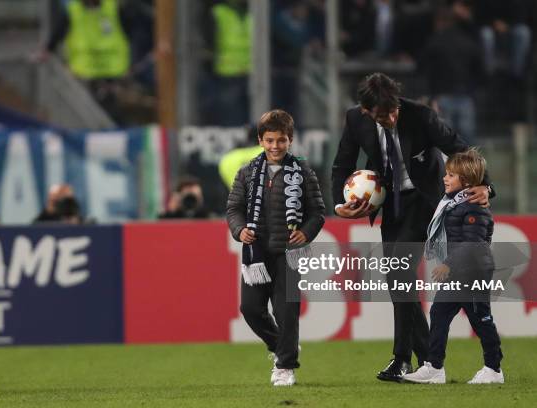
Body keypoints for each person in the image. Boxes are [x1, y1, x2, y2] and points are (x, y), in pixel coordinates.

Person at [331, 73, 494, 382]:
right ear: (366, 111)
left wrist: (486, 185)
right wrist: (339, 205)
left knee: (398, 273)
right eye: (382, 115)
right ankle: (425, 361)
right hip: (391, 207)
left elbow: (460, 148)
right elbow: (342, 164)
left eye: (393, 110)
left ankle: (408, 359)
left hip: (425, 203)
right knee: (397, 281)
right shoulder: (355, 120)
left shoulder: (421, 116)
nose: (391, 117)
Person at [227, 109, 325, 386]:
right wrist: (239, 229)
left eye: (281, 140)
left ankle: (285, 366)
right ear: (260, 140)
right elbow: (234, 208)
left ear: (290, 140)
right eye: (269, 140)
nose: (275, 146)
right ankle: (282, 346)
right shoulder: (247, 172)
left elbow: (317, 212)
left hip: (289, 253)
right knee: (250, 309)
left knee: (286, 311)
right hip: (255, 253)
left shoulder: (303, 171)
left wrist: (305, 233)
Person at [403, 149, 503, 384]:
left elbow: (473, 245)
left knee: (480, 319)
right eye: (446, 174)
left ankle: (494, 368)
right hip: (459, 272)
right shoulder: (453, 203)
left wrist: (447, 264)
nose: (445, 178)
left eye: (450, 175)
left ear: (466, 181)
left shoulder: (474, 208)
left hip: (474, 271)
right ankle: (434, 367)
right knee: (439, 312)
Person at [420, 0, 483, 145]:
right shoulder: (469, 42)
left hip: (442, 97)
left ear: (439, 22)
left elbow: (422, 67)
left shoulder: (435, 41)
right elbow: (481, 71)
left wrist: (432, 95)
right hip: (465, 96)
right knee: (467, 146)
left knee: (446, 144)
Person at [202, 0, 252, 126]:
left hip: (252, 71)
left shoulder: (254, 10)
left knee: (254, 116)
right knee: (231, 118)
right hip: (227, 72)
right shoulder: (218, 11)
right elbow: (208, 40)